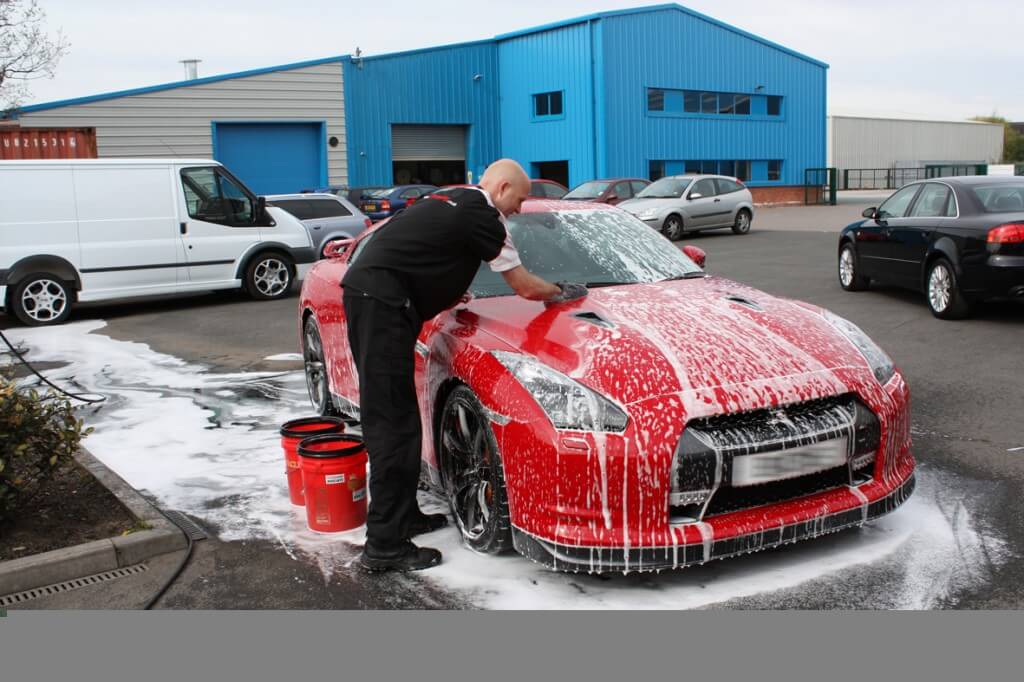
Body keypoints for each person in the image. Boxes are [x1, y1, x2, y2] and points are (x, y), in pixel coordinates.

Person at [341, 159, 587, 572]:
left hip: (377, 300)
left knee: (401, 421)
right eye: (520, 199)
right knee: (391, 426)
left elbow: (425, 249)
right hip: (380, 305)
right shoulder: (483, 216)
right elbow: (525, 286)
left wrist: (446, 289)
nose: (519, 210)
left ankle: (403, 517)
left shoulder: (452, 198)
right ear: (503, 187)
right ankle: (384, 546)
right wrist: (563, 291)